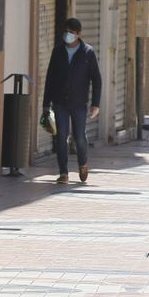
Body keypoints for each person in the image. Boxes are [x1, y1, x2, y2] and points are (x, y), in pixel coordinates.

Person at [42, 17, 102, 185]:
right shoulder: (58, 51)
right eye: (66, 31)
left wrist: (95, 104)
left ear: (78, 34)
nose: (68, 35)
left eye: (72, 32)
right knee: (61, 137)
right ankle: (63, 173)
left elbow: (96, 79)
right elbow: (50, 78)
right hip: (59, 102)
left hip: (79, 103)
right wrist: (46, 104)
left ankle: (83, 163)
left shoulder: (87, 52)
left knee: (79, 137)